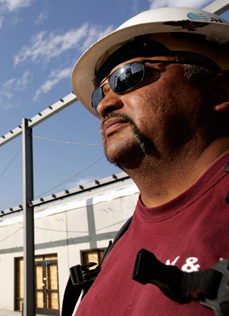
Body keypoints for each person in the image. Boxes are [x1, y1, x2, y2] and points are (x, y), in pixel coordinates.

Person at [68, 6, 229, 316]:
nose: (105, 106)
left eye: (128, 76)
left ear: (219, 93)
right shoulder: (121, 242)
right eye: (98, 95)